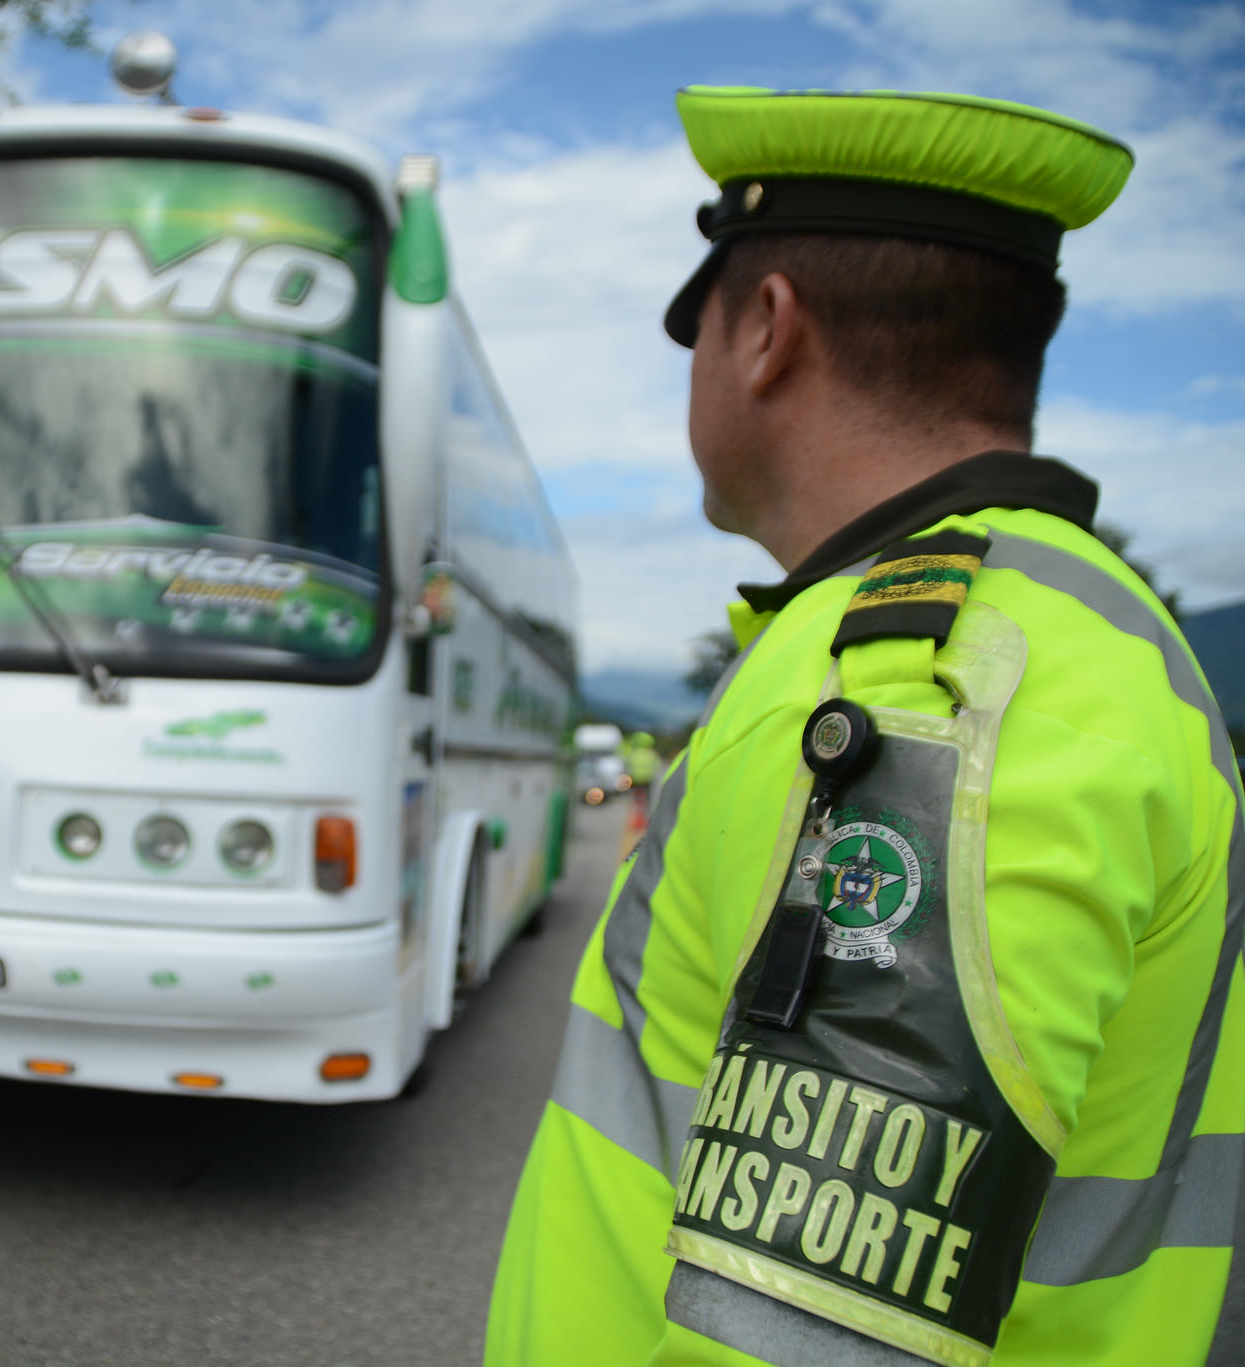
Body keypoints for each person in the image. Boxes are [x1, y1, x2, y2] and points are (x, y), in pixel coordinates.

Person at [488, 87, 1242, 1365]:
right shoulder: (1077, 634)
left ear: (766, 330)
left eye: (693, 325)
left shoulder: (931, 689)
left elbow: (816, 1328)